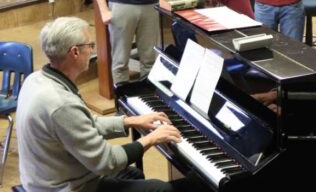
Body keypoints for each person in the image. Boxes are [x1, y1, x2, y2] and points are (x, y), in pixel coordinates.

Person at [16, 17, 210, 192]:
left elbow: (83, 123)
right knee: (160, 189)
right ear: (75, 52)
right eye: (89, 45)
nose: (92, 50)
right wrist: (151, 139)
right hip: (64, 188)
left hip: (46, 177)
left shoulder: (36, 79)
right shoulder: (61, 104)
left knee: (132, 175)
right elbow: (107, 162)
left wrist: (130, 121)